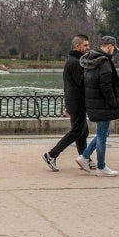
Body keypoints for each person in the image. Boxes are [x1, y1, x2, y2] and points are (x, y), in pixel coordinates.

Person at [75, 36, 119, 177]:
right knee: (103, 136)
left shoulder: (90, 60)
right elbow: (106, 87)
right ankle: (101, 167)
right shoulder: (104, 63)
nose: (114, 52)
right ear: (110, 46)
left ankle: (85, 156)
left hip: (94, 103)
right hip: (103, 105)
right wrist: (113, 104)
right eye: (114, 49)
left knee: (103, 133)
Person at [42, 35, 95, 171]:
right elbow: (82, 84)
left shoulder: (73, 61)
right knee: (77, 131)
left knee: (83, 132)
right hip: (77, 102)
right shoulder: (76, 62)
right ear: (77, 46)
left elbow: (68, 86)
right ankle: (52, 155)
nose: (88, 48)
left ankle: (85, 159)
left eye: (88, 45)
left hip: (74, 102)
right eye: (85, 45)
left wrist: (67, 104)